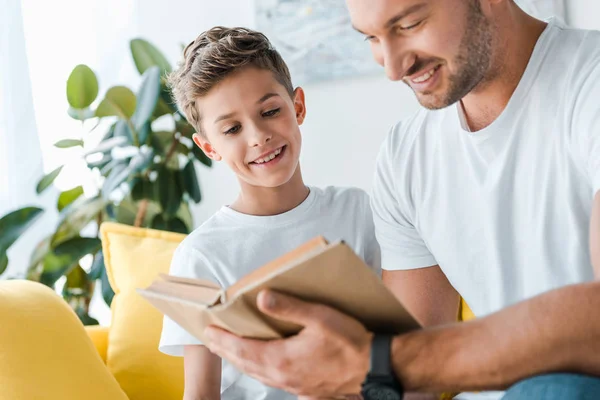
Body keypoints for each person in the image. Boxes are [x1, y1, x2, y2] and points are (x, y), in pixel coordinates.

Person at [202, 1, 600, 399]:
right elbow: (414, 371)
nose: (392, 69)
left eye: (409, 24)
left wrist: (382, 362)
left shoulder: (589, 83)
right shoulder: (406, 156)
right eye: (372, 38)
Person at [158, 26, 381, 400]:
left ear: (298, 107)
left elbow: (399, 341)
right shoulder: (198, 257)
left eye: (270, 111)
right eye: (232, 128)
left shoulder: (358, 211)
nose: (258, 136)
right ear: (209, 147)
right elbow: (200, 393)